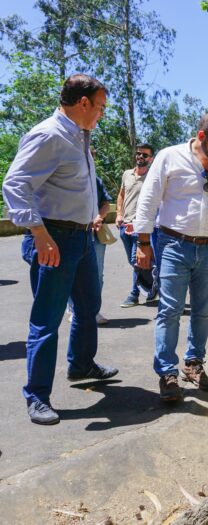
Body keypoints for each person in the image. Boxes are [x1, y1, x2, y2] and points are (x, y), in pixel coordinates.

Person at [2, 73, 118, 425]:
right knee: (47, 320)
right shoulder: (48, 135)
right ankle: (36, 395)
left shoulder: (80, 136)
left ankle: (81, 364)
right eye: (99, 107)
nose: (101, 114)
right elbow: (15, 184)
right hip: (54, 239)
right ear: (83, 103)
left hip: (82, 237)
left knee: (88, 307)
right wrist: (38, 232)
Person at [133, 112, 208, 402]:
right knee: (169, 310)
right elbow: (149, 198)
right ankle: (168, 373)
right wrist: (143, 241)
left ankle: (194, 363)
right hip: (173, 244)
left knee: (204, 309)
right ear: (201, 137)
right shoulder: (170, 157)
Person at [116, 143, 159, 307]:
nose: (140, 157)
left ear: (151, 159)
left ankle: (134, 295)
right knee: (134, 261)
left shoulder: (152, 177)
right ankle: (153, 285)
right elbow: (121, 195)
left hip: (141, 227)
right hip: (124, 226)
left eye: (145, 155)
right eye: (139, 154)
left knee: (137, 261)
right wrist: (119, 214)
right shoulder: (127, 174)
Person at [67, 173, 112, 324]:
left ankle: (94, 310)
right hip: (72, 233)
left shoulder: (96, 180)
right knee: (73, 273)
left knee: (97, 274)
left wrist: (99, 217)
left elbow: (106, 203)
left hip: (95, 234)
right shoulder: (65, 178)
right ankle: (74, 309)